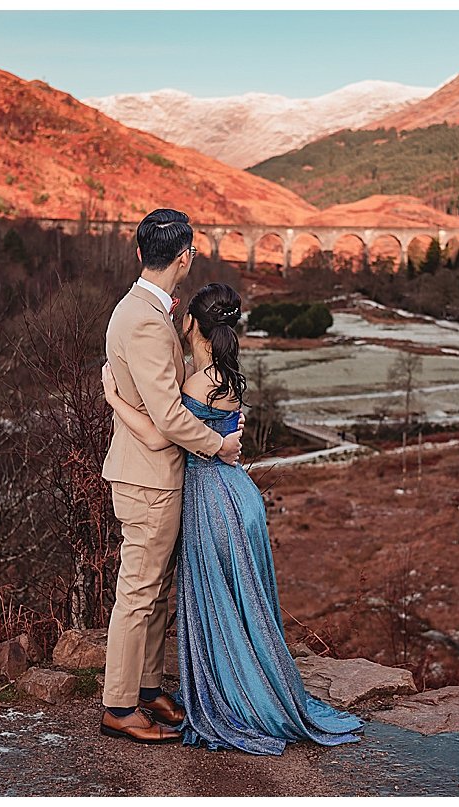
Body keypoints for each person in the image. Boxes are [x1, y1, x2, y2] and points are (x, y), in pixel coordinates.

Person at [102, 281, 365, 755]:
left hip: (213, 501)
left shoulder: (194, 383)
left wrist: (114, 398)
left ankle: (229, 695)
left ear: (192, 326)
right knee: (238, 599)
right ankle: (231, 683)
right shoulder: (224, 375)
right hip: (236, 496)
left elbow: (163, 434)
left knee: (217, 599)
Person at [99, 209, 245, 745]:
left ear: (142, 254)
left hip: (156, 474)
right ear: (183, 258)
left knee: (157, 590)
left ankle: (145, 687)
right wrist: (220, 445)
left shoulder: (150, 310)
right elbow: (168, 418)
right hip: (149, 480)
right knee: (138, 591)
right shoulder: (142, 319)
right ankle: (118, 704)